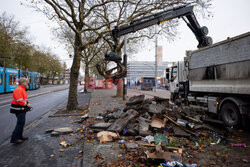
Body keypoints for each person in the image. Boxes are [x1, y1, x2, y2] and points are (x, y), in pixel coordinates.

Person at [10, 77, 32, 144]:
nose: (27, 83)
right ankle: (14, 138)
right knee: (20, 124)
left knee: (21, 123)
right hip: (18, 109)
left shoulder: (22, 89)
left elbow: (23, 99)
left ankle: (20, 136)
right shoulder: (19, 89)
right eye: (26, 82)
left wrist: (26, 104)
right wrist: (27, 104)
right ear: (22, 82)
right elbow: (19, 100)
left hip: (21, 109)